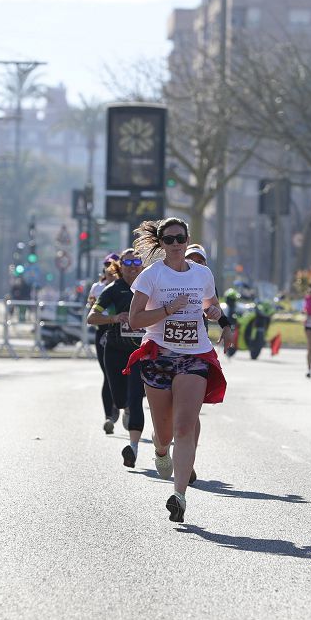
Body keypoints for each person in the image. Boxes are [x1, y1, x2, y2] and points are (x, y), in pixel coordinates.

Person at [125, 217, 235, 523]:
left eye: (180, 239)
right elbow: (135, 320)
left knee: (185, 427)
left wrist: (221, 322)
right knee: (163, 432)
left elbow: (211, 305)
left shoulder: (202, 273)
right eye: (169, 240)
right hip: (159, 354)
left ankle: (179, 496)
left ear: (187, 240)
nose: (175, 245)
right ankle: (161, 452)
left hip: (195, 355)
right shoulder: (151, 276)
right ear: (161, 244)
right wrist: (167, 311)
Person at [86, 249, 148, 468]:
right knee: (120, 399)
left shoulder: (150, 288)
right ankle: (122, 408)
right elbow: (91, 317)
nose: (133, 266)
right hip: (114, 350)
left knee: (135, 398)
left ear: (142, 266)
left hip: (139, 353)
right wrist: (115, 317)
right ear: (120, 266)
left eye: (137, 262)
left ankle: (133, 449)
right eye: (128, 262)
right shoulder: (113, 290)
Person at [89, 254, 120, 433]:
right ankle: (109, 415)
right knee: (108, 375)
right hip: (103, 333)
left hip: (123, 333)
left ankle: (126, 406)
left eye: (113, 265)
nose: (110, 268)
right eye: (107, 265)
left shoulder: (126, 286)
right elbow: (92, 309)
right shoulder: (98, 287)